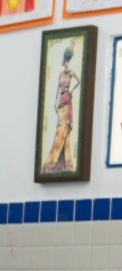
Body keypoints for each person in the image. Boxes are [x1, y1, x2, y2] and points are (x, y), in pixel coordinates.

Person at [41, 43, 80, 174]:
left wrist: (72, 92)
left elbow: (79, 81)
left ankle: (60, 162)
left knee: (63, 132)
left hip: (67, 102)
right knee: (59, 130)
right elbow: (58, 91)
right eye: (65, 60)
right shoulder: (60, 74)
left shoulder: (71, 73)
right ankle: (56, 162)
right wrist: (54, 103)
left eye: (67, 60)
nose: (65, 62)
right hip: (60, 102)